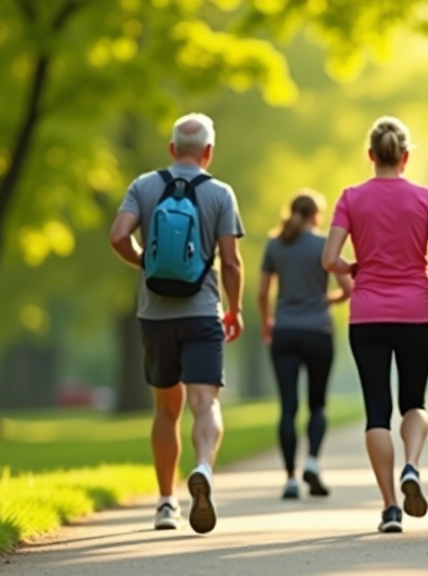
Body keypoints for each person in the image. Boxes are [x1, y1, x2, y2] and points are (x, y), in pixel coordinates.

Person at [322, 116, 428, 534]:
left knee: (377, 412)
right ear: (405, 157)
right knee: (414, 403)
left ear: (371, 156)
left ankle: (389, 508)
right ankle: (412, 466)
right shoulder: (427, 198)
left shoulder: (351, 197)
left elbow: (329, 259)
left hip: (367, 315)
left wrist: (353, 268)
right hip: (417, 313)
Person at [109, 112, 245, 534]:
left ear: (171, 149)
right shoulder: (220, 193)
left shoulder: (143, 186)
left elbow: (117, 236)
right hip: (202, 312)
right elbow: (232, 262)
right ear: (209, 151)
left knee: (167, 410)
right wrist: (234, 309)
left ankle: (166, 502)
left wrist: (145, 261)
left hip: (155, 315)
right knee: (205, 403)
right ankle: (202, 466)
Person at [258, 191, 353, 500]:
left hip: (284, 329)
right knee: (317, 404)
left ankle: (289, 479)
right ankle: (312, 461)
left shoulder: (275, 244)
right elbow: (347, 288)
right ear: (316, 215)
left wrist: (267, 321)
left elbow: (262, 293)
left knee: (288, 407)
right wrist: (329, 299)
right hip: (318, 332)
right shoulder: (324, 245)